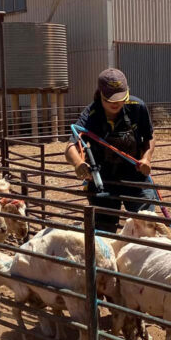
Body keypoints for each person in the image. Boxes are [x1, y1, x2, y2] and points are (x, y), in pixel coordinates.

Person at [65, 68, 158, 233]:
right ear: (100, 94)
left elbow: (149, 137)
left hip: (135, 177)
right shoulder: (91, 115)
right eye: (110, 99)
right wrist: (78, 162)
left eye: (121, 98)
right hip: (104, 180)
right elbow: (71, 145)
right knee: (104, 230)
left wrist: (147, 158)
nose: (115, 103)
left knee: (146, 226)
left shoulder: (137, 108)